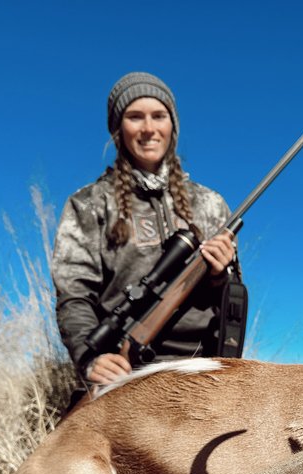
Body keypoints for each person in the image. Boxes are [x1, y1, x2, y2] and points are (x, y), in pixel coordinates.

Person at [52, 72, 239, 385]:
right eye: (135, 117)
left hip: (203, 366)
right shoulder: (89, 203)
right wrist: (90, 357)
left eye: (159, 116)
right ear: (118, 129)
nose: (149, 128)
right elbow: (74, 295)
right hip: (123, 366)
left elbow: (233, 299)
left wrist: (221, 276)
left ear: (172, 127)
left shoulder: (210, 203)